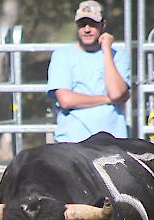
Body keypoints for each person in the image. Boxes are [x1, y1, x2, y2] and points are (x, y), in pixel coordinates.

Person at [46, 0, 131, 143]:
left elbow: (116, 93)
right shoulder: (62, 55)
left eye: (92, 24)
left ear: (103, 25)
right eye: (82, 24)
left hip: (113, 142)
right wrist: (108, 100)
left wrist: (106, 51)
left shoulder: (119, 55)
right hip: (72, 142)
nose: (86, 29)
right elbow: (66, 100)